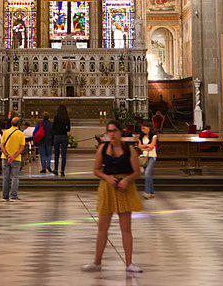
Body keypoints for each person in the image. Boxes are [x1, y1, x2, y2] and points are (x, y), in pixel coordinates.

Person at [83, 120, 143, 275]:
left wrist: (127, 180)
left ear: (120, 132)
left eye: (114, 130)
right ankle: (97, 262)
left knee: (126, 229)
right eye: (109, 131)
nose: (112, 134)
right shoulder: (103, 148)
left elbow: (137, 171)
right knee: (102, 228)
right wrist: (107, 177)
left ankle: (129, 263)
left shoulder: (129, 150)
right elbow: (96, 170)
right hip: (107, 188)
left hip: (125, 188)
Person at [0, 115, 26, 201]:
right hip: (16, 158)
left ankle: (5, 196)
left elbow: (1, 145)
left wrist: (7, 155)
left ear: (11, 123)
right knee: (15, 177)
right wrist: (13, 156)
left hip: (5, 158)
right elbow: (22, 147)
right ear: (19, 124)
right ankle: (13, 195)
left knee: (6, 177)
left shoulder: (5, 132)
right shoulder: (21, 134)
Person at [138, 121, 158, 199]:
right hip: (144, 156)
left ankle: (147, 192)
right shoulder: (141, 137)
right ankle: (152, 193)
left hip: (152, 156)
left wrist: (144, 146)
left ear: (148, 128)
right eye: (141, 128)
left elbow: (152, 146)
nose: (142, 130)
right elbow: (139, 146)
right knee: (149, 175)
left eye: (144, 128)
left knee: (147, 173)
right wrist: (146, 146)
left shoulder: (154, 136)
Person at [52, 104, 71, 176]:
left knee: (56, 154)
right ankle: (62, 171)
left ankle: (56, 170)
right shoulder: (67, 118)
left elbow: (53, 127)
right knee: (64, 154)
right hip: (64, 136)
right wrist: (64, 129)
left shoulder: (56, 117)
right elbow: (68, 129)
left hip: (57, 136)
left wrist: (57, 130)